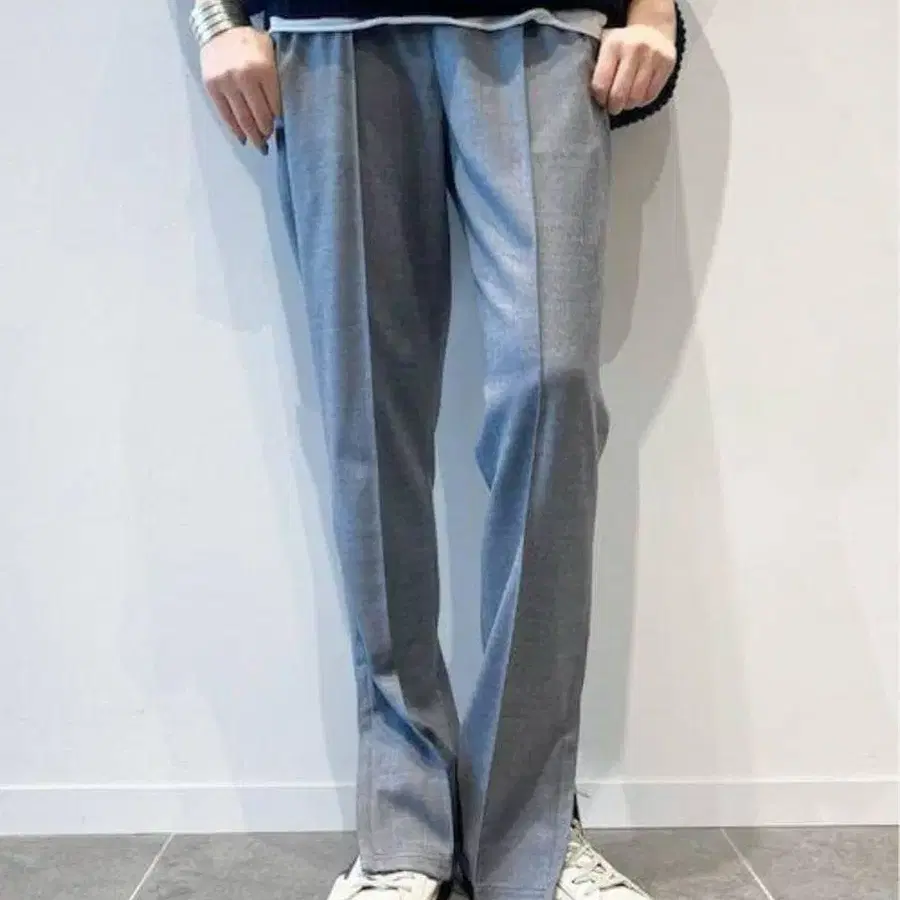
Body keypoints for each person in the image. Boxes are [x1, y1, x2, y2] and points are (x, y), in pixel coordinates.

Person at [190, 0, 684, 897]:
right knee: (367, 416)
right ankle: (401, 832)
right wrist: (215, 20)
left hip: (545, 32)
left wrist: (652, 12)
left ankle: (529, 837)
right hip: (331, 36)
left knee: (552, 387)